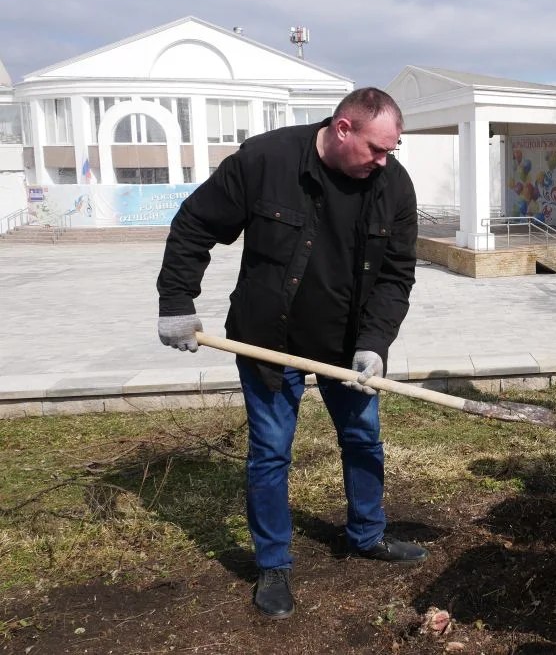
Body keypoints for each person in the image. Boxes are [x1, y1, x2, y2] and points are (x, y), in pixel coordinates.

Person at [155, 87, 425, 620]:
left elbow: (396, 275)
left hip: (347, 348)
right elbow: (195, 224)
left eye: (391, 150)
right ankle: (274, 565)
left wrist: (374, 346)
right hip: (267, 341)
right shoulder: (265, 160)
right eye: (376, 148)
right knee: (272, 452)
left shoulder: (393, 185)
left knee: (363, 439)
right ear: (343, 128)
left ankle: (367, 535)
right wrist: (176, 301)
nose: (383, 160)